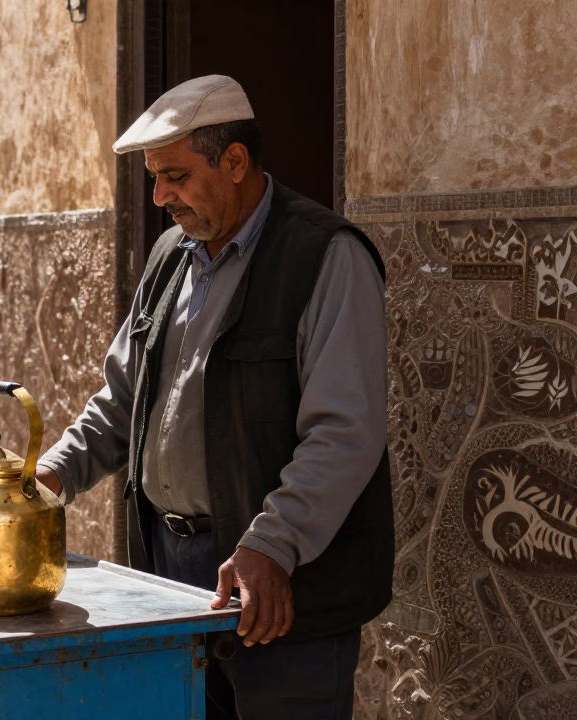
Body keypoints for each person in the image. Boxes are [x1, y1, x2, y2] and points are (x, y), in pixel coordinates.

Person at [33, 76, 391, 719]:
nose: (159, 196)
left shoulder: (325, 256)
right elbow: (122, 398)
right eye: (153, 177)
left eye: (174, 175)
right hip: (170, 575)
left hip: (279, 584)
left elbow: (346, 432)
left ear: (234, 162)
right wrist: (48, 477)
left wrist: (271, 545)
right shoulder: (172, 255)